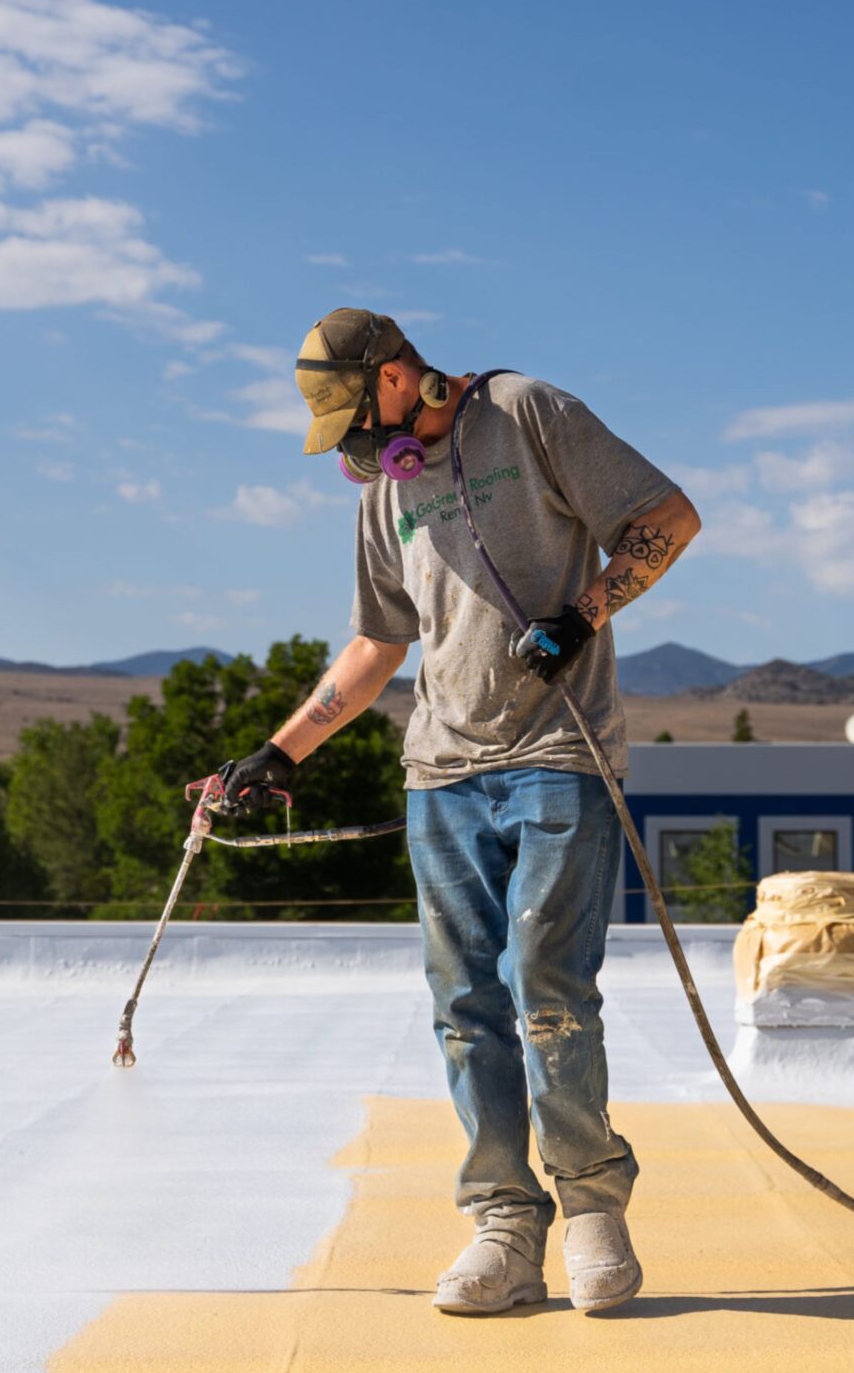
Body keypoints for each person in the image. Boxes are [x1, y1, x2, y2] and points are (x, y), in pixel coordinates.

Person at [207, 308, 701, 1316]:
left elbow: (667, 517)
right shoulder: (385, 488)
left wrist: (583, 616)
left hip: (558, 751)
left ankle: (593, 1205)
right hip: (439, 769)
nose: (349, 443)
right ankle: (502, 1225)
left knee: (548, 982)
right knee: (465, 1007)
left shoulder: (527, 413)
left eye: (352, 413)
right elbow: (375, 643)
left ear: (398, 375)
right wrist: (278, 748)